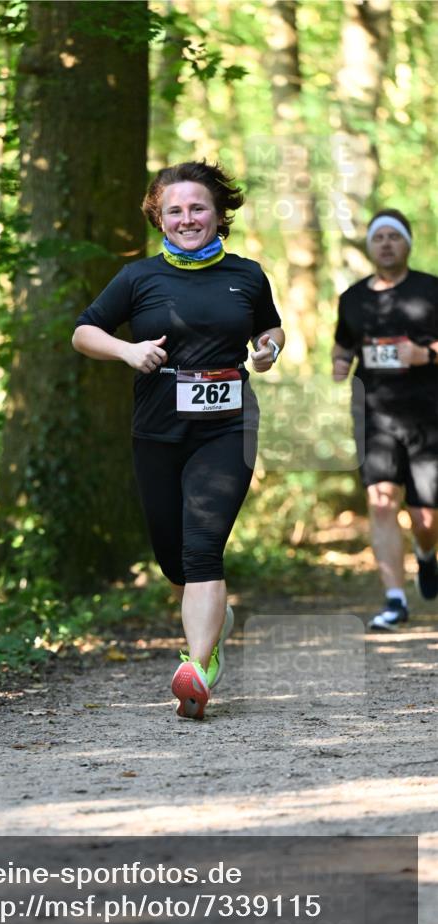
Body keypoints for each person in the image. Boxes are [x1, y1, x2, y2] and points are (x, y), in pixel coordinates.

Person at [72, 160, 284, 719]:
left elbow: (269, 326)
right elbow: (84, 331)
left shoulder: (247, 274)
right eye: (175, 211)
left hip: (228, 427)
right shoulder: (138, 278)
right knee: (174, 560)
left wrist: (269, 348)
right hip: (158, 430)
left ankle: (199, 666)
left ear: (218, 214)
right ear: (159, 219)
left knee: (202, 547)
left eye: (197, 208)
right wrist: (127, 350)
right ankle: (214, 623)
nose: (187, 218)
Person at [333, 209, 438, 630]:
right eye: (379, 237)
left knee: (426, 517)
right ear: (370, 246)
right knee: (380, 501)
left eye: (395, 236)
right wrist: (340, 364)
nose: (387, 243)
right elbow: (344, 344)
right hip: (373, 413)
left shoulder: (431, 289)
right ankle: (395, 600)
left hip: (427, 414)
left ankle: (426, 553)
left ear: (407, 243)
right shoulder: (352, 298)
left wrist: (426, 354)